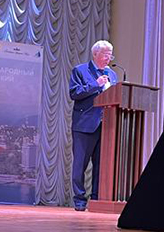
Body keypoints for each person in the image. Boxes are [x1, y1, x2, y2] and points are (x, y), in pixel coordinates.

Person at [68, 40, 118, 211]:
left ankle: (96, 199)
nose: (108, 58)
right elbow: (74, 93)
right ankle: (79, 200)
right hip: (85, 125)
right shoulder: (80, 70)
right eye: (105, 54)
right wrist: (95, 84)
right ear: (95, 54)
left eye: (110, 55)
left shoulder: (112, 74)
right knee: (80, 165)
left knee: (101, 165)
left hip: (107, 126)